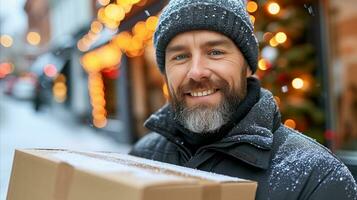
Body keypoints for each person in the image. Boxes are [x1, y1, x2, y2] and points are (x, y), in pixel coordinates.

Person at [129, 0, 357, 199]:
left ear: (247, 66)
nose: (196, 72)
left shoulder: (317, 177)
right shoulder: (143, 156)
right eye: (180, 56)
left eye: (215, 52)